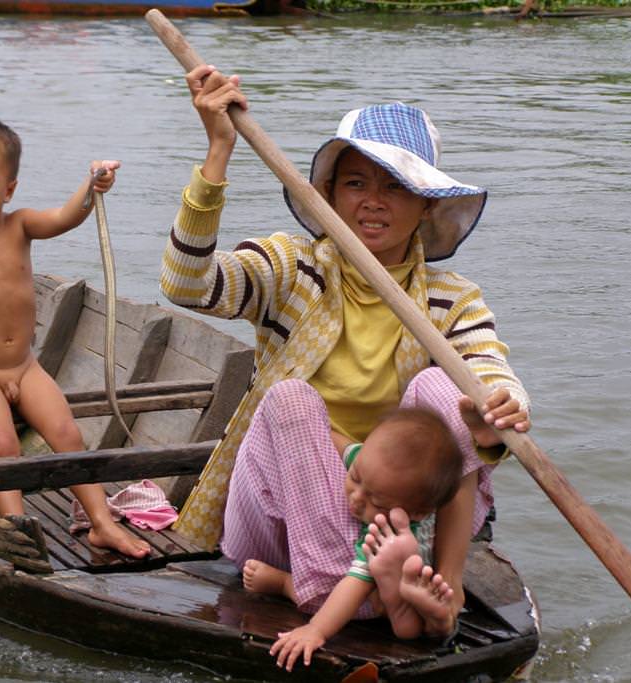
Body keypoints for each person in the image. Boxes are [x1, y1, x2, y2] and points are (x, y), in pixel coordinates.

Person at [160, 65, 532, 648]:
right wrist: (217, 152)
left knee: (449, 393)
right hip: (282, 522)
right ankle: (335, 589)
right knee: (289, 399)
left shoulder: (451, 296)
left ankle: (447, 585)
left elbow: (488, 365)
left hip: (394, 521)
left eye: (395, 187)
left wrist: (500, 405)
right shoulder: (291, 267)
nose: (373, 204)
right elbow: (187, 285)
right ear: (328, 195)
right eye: (356, 184)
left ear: (427, 206)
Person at [0, 114, 150, 559]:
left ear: (9, 189)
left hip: (24, 364)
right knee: (2, 444)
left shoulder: (19, 226)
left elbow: (65, 217)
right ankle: (15, 529)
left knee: (66, 433)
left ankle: (102, 524)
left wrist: (91, 185)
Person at [240, 401, 465, 672]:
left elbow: (354, 583)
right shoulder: (383, 473)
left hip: (386, 566)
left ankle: (285, 583)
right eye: (355, 477)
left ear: (418, 513)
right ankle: (421, 610)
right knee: (408, 627)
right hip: (416, 573)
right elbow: (338, 445)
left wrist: (315, 630)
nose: (357, 499)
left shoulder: (385, 533)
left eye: (376, 502)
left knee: (364, 573)